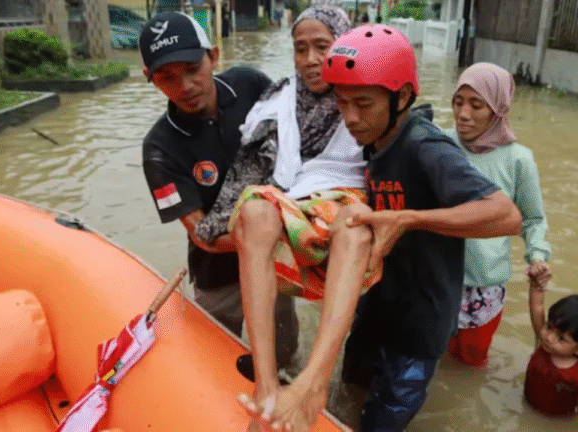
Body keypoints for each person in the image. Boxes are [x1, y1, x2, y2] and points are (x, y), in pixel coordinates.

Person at [324, 25, 521, 431]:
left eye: (363, 102)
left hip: (418, 324)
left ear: (401, 97)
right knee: (348, 392)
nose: (350, 117)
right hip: (376, 306)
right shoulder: (374, 138)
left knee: (382, 421)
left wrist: (410, 218)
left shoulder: (425, 146)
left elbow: (505, 215)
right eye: (341, 102)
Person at [191, 4, 379, 431]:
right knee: (255, 209)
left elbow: (393, 164)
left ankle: (313, 383)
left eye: (322, 47)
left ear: (344, 46)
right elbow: (245, 176)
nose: (311, 59)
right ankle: (266, 385)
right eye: (300, 48)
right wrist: (226, 226)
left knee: (355, 223)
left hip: (345, 218)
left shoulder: (369, 98)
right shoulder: (276, 101)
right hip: (293, 217)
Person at [138, 11, 299, 368]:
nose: (184, 86)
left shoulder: (250, 85)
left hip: (275, 261)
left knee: (283, 353)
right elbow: (201, 233)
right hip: (218, 277)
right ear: (151, 78)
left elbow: (296, 141)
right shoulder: (159, 149)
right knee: (216, 363)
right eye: (167, 77)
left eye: (192, 69)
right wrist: (269, 237)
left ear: (214, 55)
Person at [445, 62, 552, 369]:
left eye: (476, 105)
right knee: (430, 353)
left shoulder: (519, 159)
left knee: (471, 361)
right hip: (438, 274)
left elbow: (533, 219)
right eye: (458, 102)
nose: (463, 114)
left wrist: (537, 256)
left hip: (483, 283)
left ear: (498, 108)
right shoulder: (440, 144)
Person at [526, 287, 578, 432]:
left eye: (561, 338)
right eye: (549, 327)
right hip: (527, 404)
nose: (549, 337)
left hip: (558, 422)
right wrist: (536, 286)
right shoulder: (542, 344)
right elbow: (537, 307)